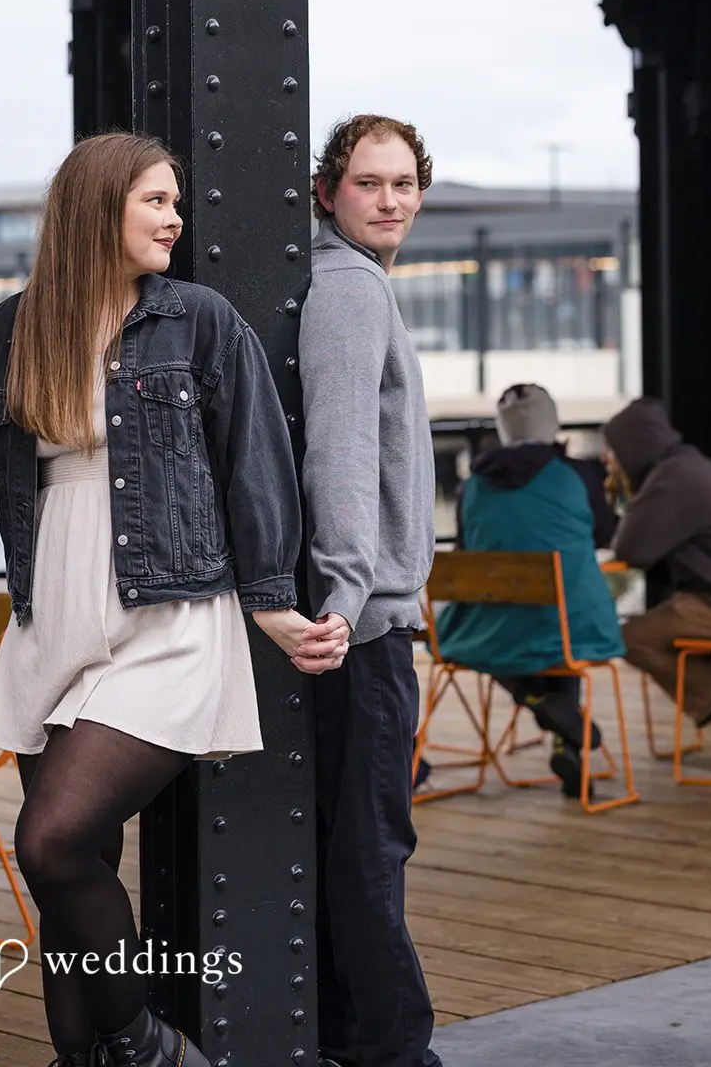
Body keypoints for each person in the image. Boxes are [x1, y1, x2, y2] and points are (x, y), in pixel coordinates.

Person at [0, 133, 348, 1067]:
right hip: (52, 613)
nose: (175, 219)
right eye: (155, 201)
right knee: (78, 871)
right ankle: (85, 1058)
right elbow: (20, 485)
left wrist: (269, 602)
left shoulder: (199, 321)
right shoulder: (8, 333)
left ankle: (145, 1045)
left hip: (169, 609)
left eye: (175, 202)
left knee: (51, 841)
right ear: (97, 208)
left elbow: (254, 466)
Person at [292, 113, 441, 1067]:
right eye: (367, 184)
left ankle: (347, 1037)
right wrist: (348, 599)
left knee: (352, 846)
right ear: (325, 193)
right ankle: (395, 1053)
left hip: (359, 618)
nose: (389, 201)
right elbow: (339, 449)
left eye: (403, 184)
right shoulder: (350, 291)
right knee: (373, 850)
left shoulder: (351, 281)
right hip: (368, 628)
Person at [435, 383, 624, 798]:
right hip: (571, 625)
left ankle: (540, 702)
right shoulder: (578, 475)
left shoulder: (472, 485)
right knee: (556, 621)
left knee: (491, 629)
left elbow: (466, 551)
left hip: (487, 629)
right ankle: (561, 723)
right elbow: (605, 534)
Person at [606, 396, 711, 765]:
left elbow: (630, 548)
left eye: (612, 451)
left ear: (634, 445)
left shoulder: (671, 480)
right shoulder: (689, 467)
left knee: (628, 639)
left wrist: (622, 495)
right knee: (662, 626)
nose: (607, 460)